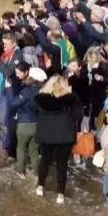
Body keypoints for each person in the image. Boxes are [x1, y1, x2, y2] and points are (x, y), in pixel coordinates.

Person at [33, 74, 81, 203]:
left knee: (44, 161)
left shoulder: (41, 99)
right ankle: (60, 194)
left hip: (46, 135)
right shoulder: (71, 99)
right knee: (62, 165)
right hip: (64, 136)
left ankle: (40, 186)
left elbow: (35, 112)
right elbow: (79, 115)